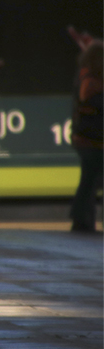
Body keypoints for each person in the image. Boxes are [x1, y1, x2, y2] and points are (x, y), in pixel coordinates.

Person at [69, 38, 103, 233]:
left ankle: (82, 219)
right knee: (90, 181)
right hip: (93, 141)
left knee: (89, 181)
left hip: (88, 139)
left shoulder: (85, 76)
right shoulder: (91, 81)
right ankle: (81, 220)